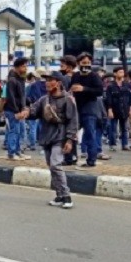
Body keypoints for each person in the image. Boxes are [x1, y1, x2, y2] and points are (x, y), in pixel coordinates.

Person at [26, 71, 79, 209]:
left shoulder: (68, 99)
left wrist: (69, 140)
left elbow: (73, 120)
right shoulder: (44, 99)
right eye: (46, 80)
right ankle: (59, 195)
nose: (47, 83)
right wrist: (25, 113)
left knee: (56, 164)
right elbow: (33, 112)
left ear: (59, 83)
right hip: (46, 136)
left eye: (51, 80)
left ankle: (67, 196)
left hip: (60, 136)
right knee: (51, 167)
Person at [69, 53, 103, 168]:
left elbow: (99, 91)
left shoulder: (94, 76)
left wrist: (84, 89)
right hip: (76, 108)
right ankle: (70, 157)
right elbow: (70, 87)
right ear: (78, 64)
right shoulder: (75, 76)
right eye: (83, 63)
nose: (86, 65)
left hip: (90, 108)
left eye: (88, 63)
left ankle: (91, 159)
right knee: (71, 133)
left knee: (90, 135)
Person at [4, 58, 31, 161]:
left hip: (20, 110)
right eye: (24, 66)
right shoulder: (12, 80)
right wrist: (16, 111)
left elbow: (23, 96)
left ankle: (18, 151)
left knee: (20, 131)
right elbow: (11, 97)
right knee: (13, 131)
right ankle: (11, 153)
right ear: (17, 67)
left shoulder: (21, 79)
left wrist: (24, 108)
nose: (25, 68)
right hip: (12, 110)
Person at [105, 67, 131, 152]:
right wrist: (109, 110)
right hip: (114, 109)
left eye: (123, 72)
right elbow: (108, 99)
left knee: (124, 128)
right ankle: (112, 144)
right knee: (112, 128)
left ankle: (125, 144)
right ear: (115, 74)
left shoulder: (128, 85)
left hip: (124, 109)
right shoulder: (110, 86)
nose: (122, 74)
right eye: (120, 72)